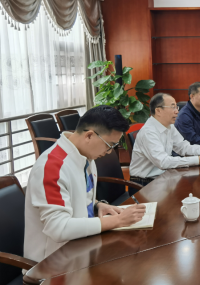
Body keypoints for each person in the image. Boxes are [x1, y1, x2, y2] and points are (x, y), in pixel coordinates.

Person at [24, 106, 146, 263]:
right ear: (89, 135)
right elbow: (58, 228)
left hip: (82, 247)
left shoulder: (84, 156)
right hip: (53, 262)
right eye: (109, 145)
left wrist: (97, 205)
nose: (109, 152)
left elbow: (76, 192)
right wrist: (118, 221)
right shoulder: (52, 167)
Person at [130, 92, 200, 186]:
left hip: (163, 177)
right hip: (145, 183)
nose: (176, 111)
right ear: (158, 111)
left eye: (176, 107)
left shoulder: (169, 126)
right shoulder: (148, 132)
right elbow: (163, 162)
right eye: (172, 107)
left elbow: (182, 147)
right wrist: (196, 160)